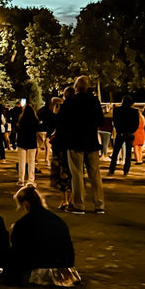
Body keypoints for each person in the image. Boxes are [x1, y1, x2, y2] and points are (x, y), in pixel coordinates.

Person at [4, 184, 80, 287]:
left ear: (26, 204)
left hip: (40, 270)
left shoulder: (23, 223)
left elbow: (17, 253)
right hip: (65, 271)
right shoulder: (57, 220)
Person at [60, 76, 105, 214]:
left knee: (77, 174)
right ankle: (99, 204)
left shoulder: (70, 101)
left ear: (76, 87)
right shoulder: (94, 101)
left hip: (75, 142)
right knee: (95, 174)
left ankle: (79, 205)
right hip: (91, 141)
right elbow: (100, 120)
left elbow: (62, 121)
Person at [107, 95, 140, 177]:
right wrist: (132, 131)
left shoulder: (117, 110)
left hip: (120, 132)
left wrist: (119, 129)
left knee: (115, 152)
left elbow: (115, 121)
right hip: (130, 133)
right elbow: (136, 124)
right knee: (128, 153)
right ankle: (126, 170)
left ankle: (112, 169)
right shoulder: (134, 111)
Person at [16, 102, 40, 186]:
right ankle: (31, 179)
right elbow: (38, 128)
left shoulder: (21, 119)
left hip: (22, 141)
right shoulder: (35, 120)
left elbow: (17, 128)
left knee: (21, 161)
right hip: (32, 141)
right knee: (31, 161)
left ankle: (21, 179)